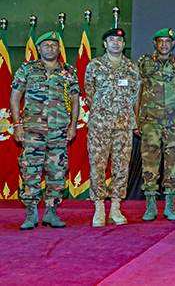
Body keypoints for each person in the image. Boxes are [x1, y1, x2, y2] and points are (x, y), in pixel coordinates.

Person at [10, 31, 80, 230]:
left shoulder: (68, 71)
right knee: (30, 170)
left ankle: (51, 212)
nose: (50, 48)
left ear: (59, 49)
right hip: (32, 130)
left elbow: (75, 100)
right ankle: (31, 213)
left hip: (59, 130)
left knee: (57, 172)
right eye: (46, 45)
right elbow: (15, 98)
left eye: (54, 45)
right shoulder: (28, 69)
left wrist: (73, 126)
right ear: (39, 48)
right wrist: (17, 125)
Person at [85, 28, 141, 227]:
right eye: (111, 40)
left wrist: (133, 119)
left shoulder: (132, 67)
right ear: (105, 44)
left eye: (119, 40)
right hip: (100, 125)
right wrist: (103, 112)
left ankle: (116, 207)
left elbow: (135, 96)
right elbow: (89, 93)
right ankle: (99, 208)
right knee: (97, 165)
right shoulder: (95, 65)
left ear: (124, 44)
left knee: (121, 166)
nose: (115, 43)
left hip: (123, 125)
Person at [135, 28, 175, 222]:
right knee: (150, 161)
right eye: (160, 41)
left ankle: (170, 206)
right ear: (155, 43)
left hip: (174, 122)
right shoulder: (145, 62)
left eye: (168, 41)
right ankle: (150, 206)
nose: (164, 44)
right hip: (150, 120)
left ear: (172, 43)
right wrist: (136, 119)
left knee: (174, 162)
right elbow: (137, 91)